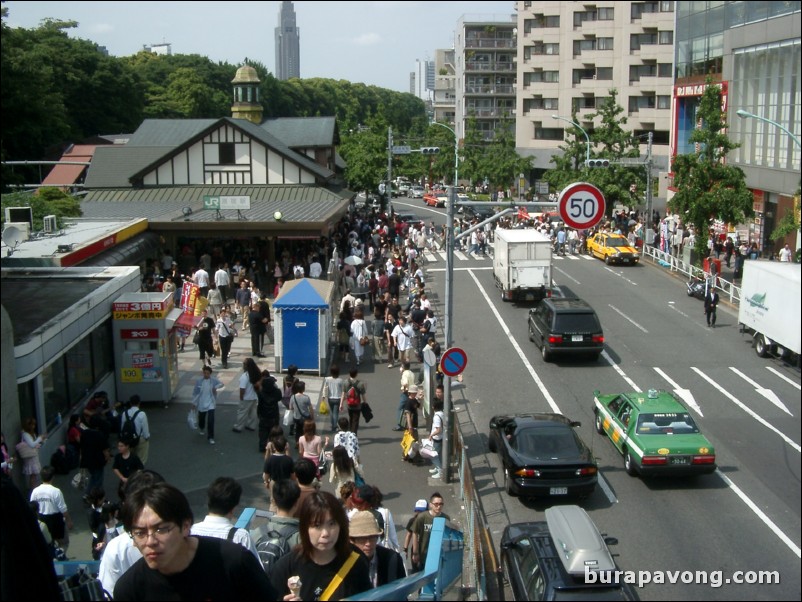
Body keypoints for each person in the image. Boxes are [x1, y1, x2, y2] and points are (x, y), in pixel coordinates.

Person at [113, 482, 278, 601]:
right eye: (139, 533)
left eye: (161, 529)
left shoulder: (233, 561)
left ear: (186, 526)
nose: (150, 541)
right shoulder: (130, 589)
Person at [269, 491, 372, 601]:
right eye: (317, 525)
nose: (325, 533)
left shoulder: (356, 562)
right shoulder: (285, 568)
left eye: (331, 524)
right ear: (305, 528)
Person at [190, 477, 258, 558]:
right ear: (234, 507)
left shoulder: (191, 532)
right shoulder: (241, 537)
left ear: (208, 501)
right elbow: (257, 568)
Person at [349, 511, 407, 587]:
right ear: (352, 540)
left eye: (372, 537)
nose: (368, 543)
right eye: (362, 539)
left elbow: (401, 593)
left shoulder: (392, 559)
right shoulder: (343, 564)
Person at [29, 465, 73, 552]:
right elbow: (63, 509)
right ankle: (60, 556)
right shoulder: (56, 491)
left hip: (42, 519)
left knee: (46, 541)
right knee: (63, 542)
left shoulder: (35, 491)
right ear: (53, 477)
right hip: (56, 520)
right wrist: (69, 521)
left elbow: (32, 506)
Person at [410, 492, 449, 573]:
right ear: (431, 505)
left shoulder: (446, 518)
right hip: (424, 555)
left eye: (441, 504)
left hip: (439, 555)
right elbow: (414, 533)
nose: (439, 506)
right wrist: (415, 552)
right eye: (436, 504)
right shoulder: (422, 517)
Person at [80, 415, 111, 499]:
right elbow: (105, 449)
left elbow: (81, 447)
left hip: (87, 460)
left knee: (93, 476)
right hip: (98, 460)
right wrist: (107, 458)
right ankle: (97, 496)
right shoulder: (100, 435)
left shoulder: (84, 433)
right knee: (98, 479)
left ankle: (87, 493)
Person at [263, 434, 295, 513]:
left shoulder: (270, 459)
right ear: (285, 447)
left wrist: (266, 481)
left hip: (274, 483)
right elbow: (293, 475)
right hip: (286, 483)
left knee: (274, 501)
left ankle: (272, 517)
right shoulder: (289, 460)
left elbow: (266, 475)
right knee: (285, 502)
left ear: (274, 447)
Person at [192, 365, 223, 444]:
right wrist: (194, 403)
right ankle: (201, 427)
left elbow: (221, 384)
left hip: (210, 403)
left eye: (208, 373)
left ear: (210, 374)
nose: (206, 375)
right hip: (202, 403)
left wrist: (215, 387)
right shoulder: (199, 381)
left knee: (211, 420)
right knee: (201, 418)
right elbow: (195, 393)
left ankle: (211, 437)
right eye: (205, 373)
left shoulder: (213, 381)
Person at [257, 370, 283, 453]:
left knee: (263, 431)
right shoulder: (276, 392)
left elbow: (259, 402)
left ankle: (262, 446)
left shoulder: (261, 392)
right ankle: (275, 446)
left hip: (263, 414)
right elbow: (279, 398)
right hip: (274, 414)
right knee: (274, 431)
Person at [233, 358, 261, 433]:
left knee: (242, 412)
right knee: (253, 412)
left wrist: (241, 397)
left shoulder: (244, 376)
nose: (243, 365)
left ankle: (239, 427)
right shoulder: (256, 374)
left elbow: (242, 389)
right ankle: (251, 425)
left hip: (246, 398)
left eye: (244, 364)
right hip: (254, 397)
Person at [19, 417, 46, 489]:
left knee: (35, 475)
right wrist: (40, 438)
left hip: (33, 455)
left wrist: (41, 440)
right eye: (32, 425)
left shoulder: (31, 433)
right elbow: (32, 444)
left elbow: (34, 443)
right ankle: (33, 491)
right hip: (30, 456)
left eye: (34, 424)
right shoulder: (25, 434)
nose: (33, 426)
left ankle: (34, 489)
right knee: (33, 475)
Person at [122, 395, 151, 464]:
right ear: (139, 403)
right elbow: (145, 430)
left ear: (130, 403)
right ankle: (138, 473)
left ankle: (130, 473)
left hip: (128, 439)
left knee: (129, 458)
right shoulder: (142, 414)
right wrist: (147, 437)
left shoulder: (124, 413)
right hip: (140, 439)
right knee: (141, 460)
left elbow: (122, 427)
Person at [403, 499, 428, 566]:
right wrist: (405, 550)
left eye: (421, 511)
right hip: (415, 549)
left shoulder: (430, 521)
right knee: (415, 568)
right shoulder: (412, 521)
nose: (419, 513)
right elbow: (408, 535)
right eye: (417, 511)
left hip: (427, 548)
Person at [343, 369, 366, 435]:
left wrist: (341, 404)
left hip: (349, 404)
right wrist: (365, 402)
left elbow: (343, 393)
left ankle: (350, 431)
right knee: (355, 420)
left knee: (351, 418)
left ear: (349, 374)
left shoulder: (345, 382)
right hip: (357, 405)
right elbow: (363, 395)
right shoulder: (360, 384)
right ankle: (353, 434)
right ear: (356, 374)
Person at [322, 365, 344, 433]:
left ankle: (332, 425)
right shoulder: (340, 380)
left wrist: (323, 396)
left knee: (331, 412)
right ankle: (335, 426)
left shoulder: (327, 379)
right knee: (336, 413)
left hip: (330, 398)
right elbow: (343, 390)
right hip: (338, 398)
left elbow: (325, 388)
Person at [395, 362, 416, 431]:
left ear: (403, 367)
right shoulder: (411, 373)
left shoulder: (404, 374)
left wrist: (404, 388)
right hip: (412, 392)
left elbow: (405, 383)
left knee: (400, 408)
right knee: (409, 408)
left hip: (406, 392)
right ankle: (408, 424)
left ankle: (399, 425)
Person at [428, 398, 445, 480]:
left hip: (437, 438)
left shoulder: (436, 417)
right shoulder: (442, 413)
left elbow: (438, 430)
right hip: (441, 437)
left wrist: (431, 435)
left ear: (434, 407)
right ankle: (437, 468)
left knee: (433, 456)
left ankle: (440, 471)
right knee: (438, 455)